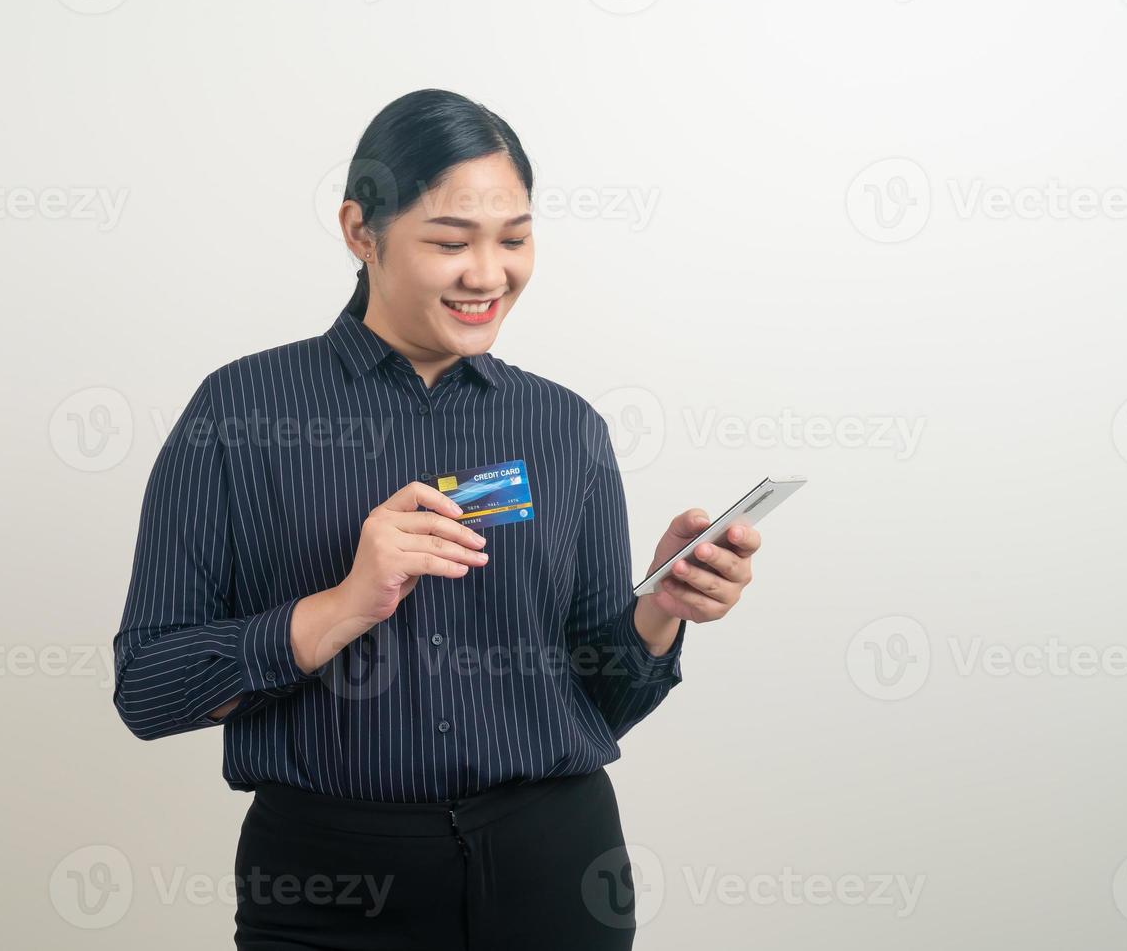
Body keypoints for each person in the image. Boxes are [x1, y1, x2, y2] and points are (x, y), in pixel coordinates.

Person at [111, 88, 763, 950]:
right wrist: (340, 607)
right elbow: (149, 690)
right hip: (329, 885)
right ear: (359, 232)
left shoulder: (563, 427)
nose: (488, 275)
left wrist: (656, 613)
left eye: (515, 239)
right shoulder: (237, 412)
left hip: (556, 867)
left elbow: (598, 704)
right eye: (450, 242)